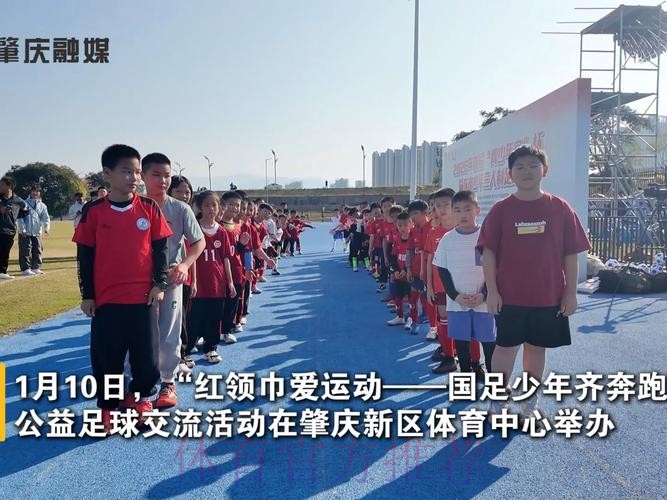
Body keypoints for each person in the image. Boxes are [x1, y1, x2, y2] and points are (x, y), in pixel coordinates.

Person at [477, 144, 591, 421]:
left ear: (545, 170)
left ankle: (529, 403)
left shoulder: (560, 208)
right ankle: (497, 401)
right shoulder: (501, 210)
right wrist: (492, 291)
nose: (526, 171)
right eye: (519, 167)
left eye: (532, 165)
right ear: (510, 174)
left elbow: (571, 254)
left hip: (548, 295)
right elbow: (488, 253)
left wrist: (570, 292)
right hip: (509, 296)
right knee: (505, 348)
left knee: (536, 348)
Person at [73, 144, 172, 434]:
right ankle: (108, 407)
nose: (134, 178)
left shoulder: (149, 207)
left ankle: (143, 400)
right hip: (107, 300)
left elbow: (161, 250)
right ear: (108, 173)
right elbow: (85, 257)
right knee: (107, 357)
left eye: (137, 172)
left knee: (147, 356)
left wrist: (159, 284)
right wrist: (87, 295)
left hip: (143, 298)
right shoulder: (94, 211)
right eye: (126, 171)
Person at [139, 153, 205, 408]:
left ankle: (168, 382)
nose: (163, 180)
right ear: (143, 176)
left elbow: (199, 242)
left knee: (168, 332)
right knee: (138, 333)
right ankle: (136, 383)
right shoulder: (134, 206)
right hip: (138, 281)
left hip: (171, 279)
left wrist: (185, 265)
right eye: (156, 175)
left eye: (167, 175)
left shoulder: (179, 209)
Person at [433, 190, 495, 380]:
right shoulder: (447, 239)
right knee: (461, 342)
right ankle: (465, 377)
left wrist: (484, 294)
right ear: (453, 213)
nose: (463, 214)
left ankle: (494, 380)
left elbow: (495, 268)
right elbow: (442, 269)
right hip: (457, 303)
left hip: (484, 303)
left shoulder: (487, 236)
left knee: (489, 343)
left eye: (467, 209)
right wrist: (455, 295)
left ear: (477, 210)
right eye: (458, 210)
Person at [186, 190, 235, 363]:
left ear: (219, 207)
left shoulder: (222, 231)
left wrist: (230, 282)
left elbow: (226, 258)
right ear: (200, 207)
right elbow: (191, 257)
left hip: (217, 283)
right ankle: (187, 348)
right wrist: (193, 281)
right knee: (194, 317)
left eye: (214, 205)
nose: (211, 209)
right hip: (199, 283)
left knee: (215, 317)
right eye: (206, 205)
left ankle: (211, 348)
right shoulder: (193, 228)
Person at [167, 175, 198, 372]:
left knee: (180, 319)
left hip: (181, 277)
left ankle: (181, 355)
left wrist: (193, 280)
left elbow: (194, 250)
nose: (184, 195)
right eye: (178, 191)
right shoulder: (158, 211)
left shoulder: (189, 216)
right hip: (160, 276)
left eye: (187, 192)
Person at [406, 199, 431, 335]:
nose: (413, 217)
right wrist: (408, 268)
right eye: (411, 214)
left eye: (415, 213)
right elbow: (410, 250)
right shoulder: (413, 230)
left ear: (425, 213)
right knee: (413, 297)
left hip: (430, 272)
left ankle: (433, 326)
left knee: (429, 299)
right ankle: (414, 320)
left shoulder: (432, 228)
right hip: (415, 271)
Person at [386, 212, 413, 327]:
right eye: (400, 225)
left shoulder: (413, 239)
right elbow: (393, 256)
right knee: (398, 297)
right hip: (399, 275)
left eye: (405, 225)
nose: (402, 228)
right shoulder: (397, 238)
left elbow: (414, 258)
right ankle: (400, 317)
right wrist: (396, 270)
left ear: (411, 224)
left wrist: (406, 270)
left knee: (412, 299)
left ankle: (411, 318)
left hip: (410, 275)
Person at [17, 185, 50, 276]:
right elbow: (20, 218)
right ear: (30, 192)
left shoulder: (42, 205)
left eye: (37, 191)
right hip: (25, 232)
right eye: (33, 191)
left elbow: (46, 218)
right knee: (25, 250)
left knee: (38, 249)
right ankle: (25, 268)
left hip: (37, 231)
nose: (35, 193)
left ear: (40, 193)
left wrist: (46, 228)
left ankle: (35, 267)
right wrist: (22, 229)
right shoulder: (24, 203)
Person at [0, 176, 28, 280]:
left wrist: (14, 216)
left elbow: (26, 210)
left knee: (4, 252)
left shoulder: (18, 200)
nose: (0, 186)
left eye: (2, 184)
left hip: (10, 230)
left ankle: (2, 272)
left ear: (9, 186)